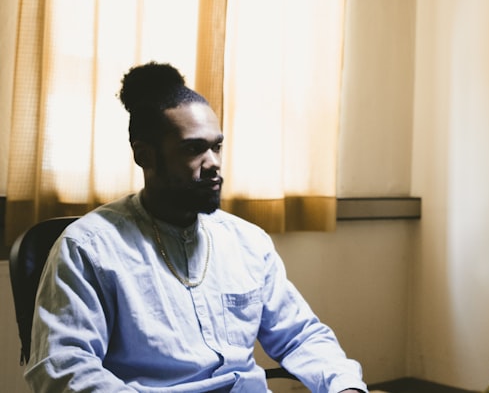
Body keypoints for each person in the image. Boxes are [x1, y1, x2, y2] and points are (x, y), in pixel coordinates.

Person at [26, 62, 368, 393]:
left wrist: (345, 386)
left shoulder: (247, 242)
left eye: (217, 146)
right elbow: (64, 366)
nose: (214, 163)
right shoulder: (89, 248)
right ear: (144, 156)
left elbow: (300, 335)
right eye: (194, 149)